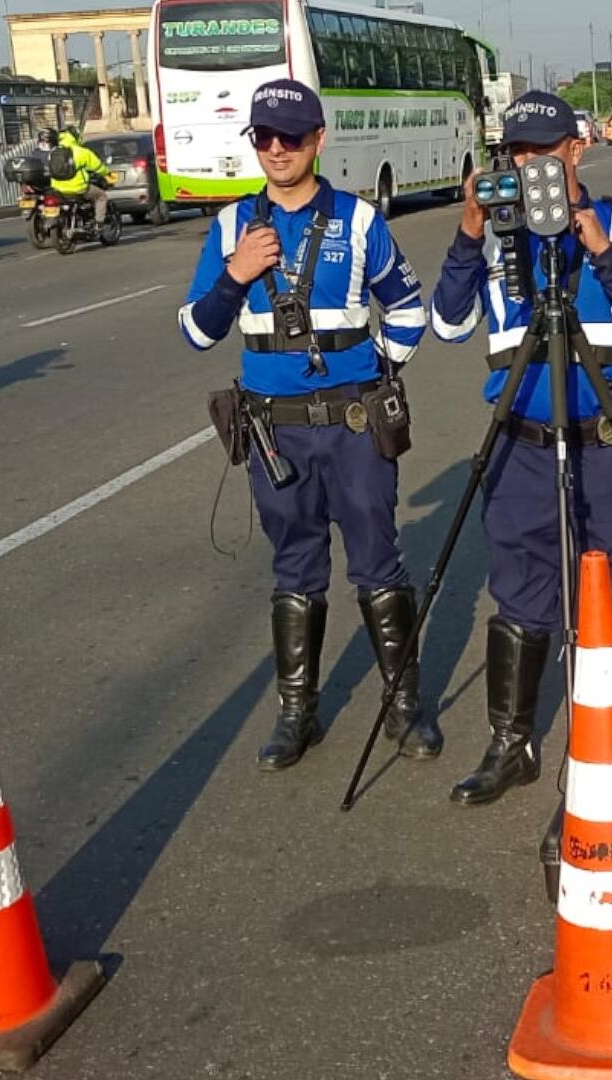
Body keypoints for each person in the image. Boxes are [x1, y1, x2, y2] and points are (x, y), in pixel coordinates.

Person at [430, 91, 612, 807]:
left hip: (605, 442)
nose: (529, 165)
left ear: (576, 149)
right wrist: (467, 231)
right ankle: (510, 743)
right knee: (518, 591)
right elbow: (448, 325)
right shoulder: (493, 235)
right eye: (516, 152)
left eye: (543, 150)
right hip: (520, 441)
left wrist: (600, 252)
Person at [176, 79, 433, 771]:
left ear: (319, 140)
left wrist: (378, 369)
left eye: (292, 137)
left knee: (378, 561)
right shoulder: (233, 227)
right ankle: (299, 713)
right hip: (273, 433)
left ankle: (403, 705)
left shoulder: (358, 220)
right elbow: (197, 332)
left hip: (353, 424)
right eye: (265, 137)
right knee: (295, 568)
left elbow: (409, 308)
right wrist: (234, 276)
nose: (278, 149)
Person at [49, 128, 117, 226]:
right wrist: (107, 173)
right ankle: (99, 222)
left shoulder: (53, 152)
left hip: (58, 189)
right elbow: (98, 167)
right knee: (101, 196)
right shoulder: (82, 152)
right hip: (78, 188)